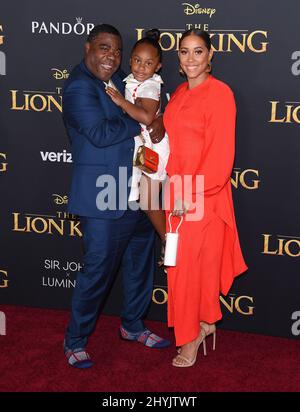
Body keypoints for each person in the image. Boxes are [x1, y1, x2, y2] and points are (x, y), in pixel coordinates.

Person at [62, 24, 170, 369]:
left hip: (137, 190)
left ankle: (133, 326)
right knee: (97, 271)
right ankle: (75, 340)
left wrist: (156, 118)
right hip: (101, 197)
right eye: (104, 48)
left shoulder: (122, 78)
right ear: (88, 46)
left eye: (117, 50)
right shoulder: (79, 86)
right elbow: (100, 133)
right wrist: (144, 120)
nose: (112, 56)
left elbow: (147, 103)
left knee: (139, 265)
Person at [163, 29, 248, 367]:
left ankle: (189, 337)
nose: (191, 59)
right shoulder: (179, 93)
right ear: (179, 58)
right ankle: (202, 324)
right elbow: (175, 145)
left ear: (211, 55)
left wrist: (190, 191)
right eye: (185, 52)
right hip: (176, 193)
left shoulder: (221, 94)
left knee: (189, 270)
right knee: (180, 269)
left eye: (199, 52)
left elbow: (220, 156)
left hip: (203, 195)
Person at [106, 29, 169, 265]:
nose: (141, 67)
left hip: (153, 147)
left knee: (149, 202)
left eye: (148, 63)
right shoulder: (130, 80)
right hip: (140, 147)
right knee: (141, 199)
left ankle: (168, 241)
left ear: (158, 66)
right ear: (130, 59)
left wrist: (120, 101)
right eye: (137, 61)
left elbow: (145, 117)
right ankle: (166, 239)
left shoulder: (151, 86)